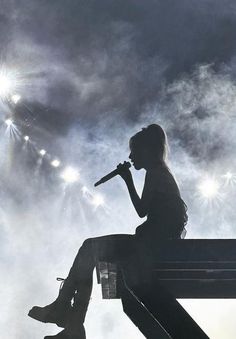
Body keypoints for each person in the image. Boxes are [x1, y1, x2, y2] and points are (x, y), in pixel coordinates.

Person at [28, 124, 188, 339]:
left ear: (148, 150)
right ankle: (71, 320)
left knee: (89, 248)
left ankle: (68, 316)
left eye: (135, 151)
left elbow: (142, 211)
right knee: (89, 253)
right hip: (152, 246)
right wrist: (128, 179)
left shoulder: (155, 173)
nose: (131, 156)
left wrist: (127, 179)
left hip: (149, 247)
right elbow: (147, 212)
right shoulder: (160, 173)